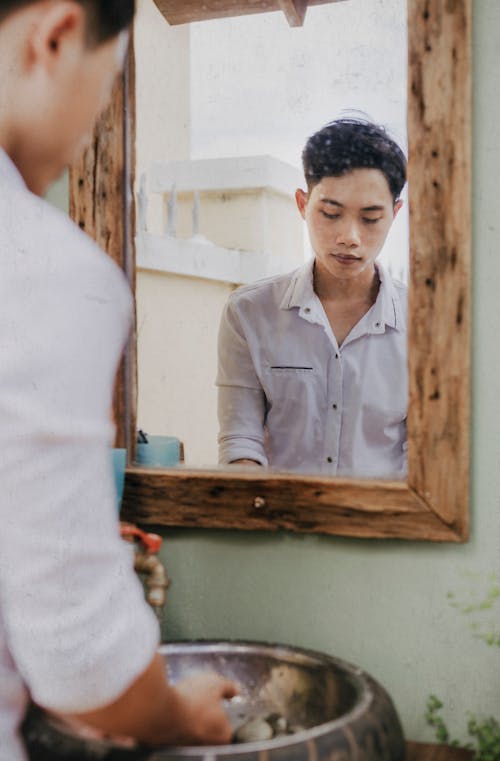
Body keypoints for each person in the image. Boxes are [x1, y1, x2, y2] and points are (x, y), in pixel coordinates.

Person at [0, 2, 237, 759]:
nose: (89, 130)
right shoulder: (46, 269)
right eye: (106, 89)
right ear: (58, 35)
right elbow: (81, 655)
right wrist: (179, 717)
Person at [216, 118, 408, 477]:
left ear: (394, 215)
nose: (349, 236)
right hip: (278, 524)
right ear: (303, 204)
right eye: (331, 214)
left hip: (387, 527)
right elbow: (241, 440)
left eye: (370, 218)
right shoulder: (249, 313)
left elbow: (427, 455)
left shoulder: (423, 323)